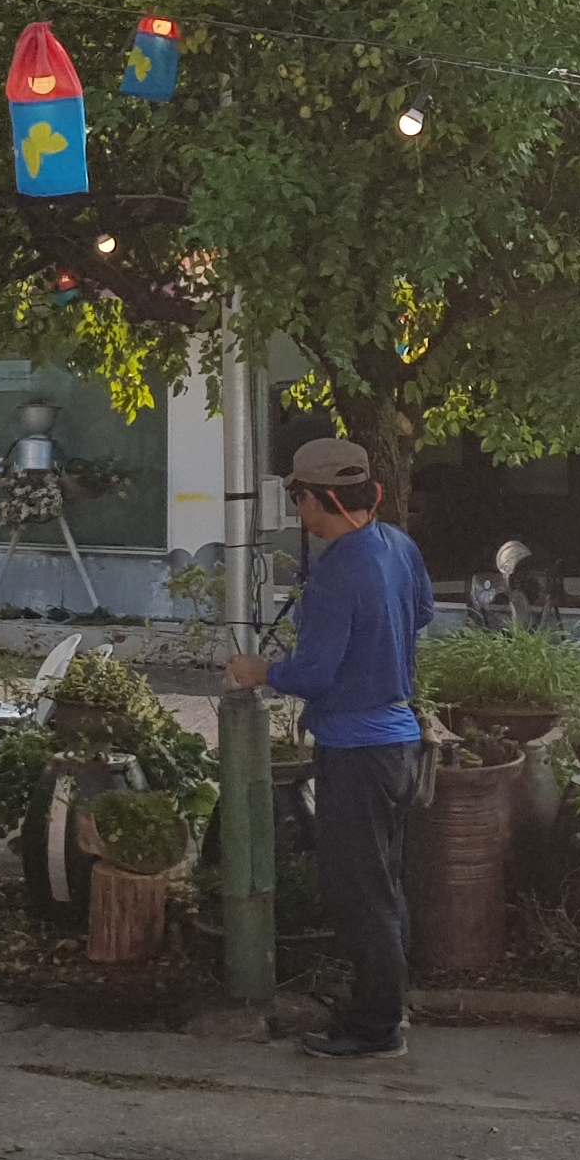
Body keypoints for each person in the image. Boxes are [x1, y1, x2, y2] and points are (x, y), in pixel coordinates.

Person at [228, 439, 436, 1060]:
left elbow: (314, 674)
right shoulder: (398, 544)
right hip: (400, 742)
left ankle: (375, 1028)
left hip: (355, 749)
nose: (299, 512)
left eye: (299, 498)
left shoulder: (337, 570)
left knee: (358, 892)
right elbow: (422, 612)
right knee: (385, 882)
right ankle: (392, 1005)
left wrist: (260, 671)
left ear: (321, 499)